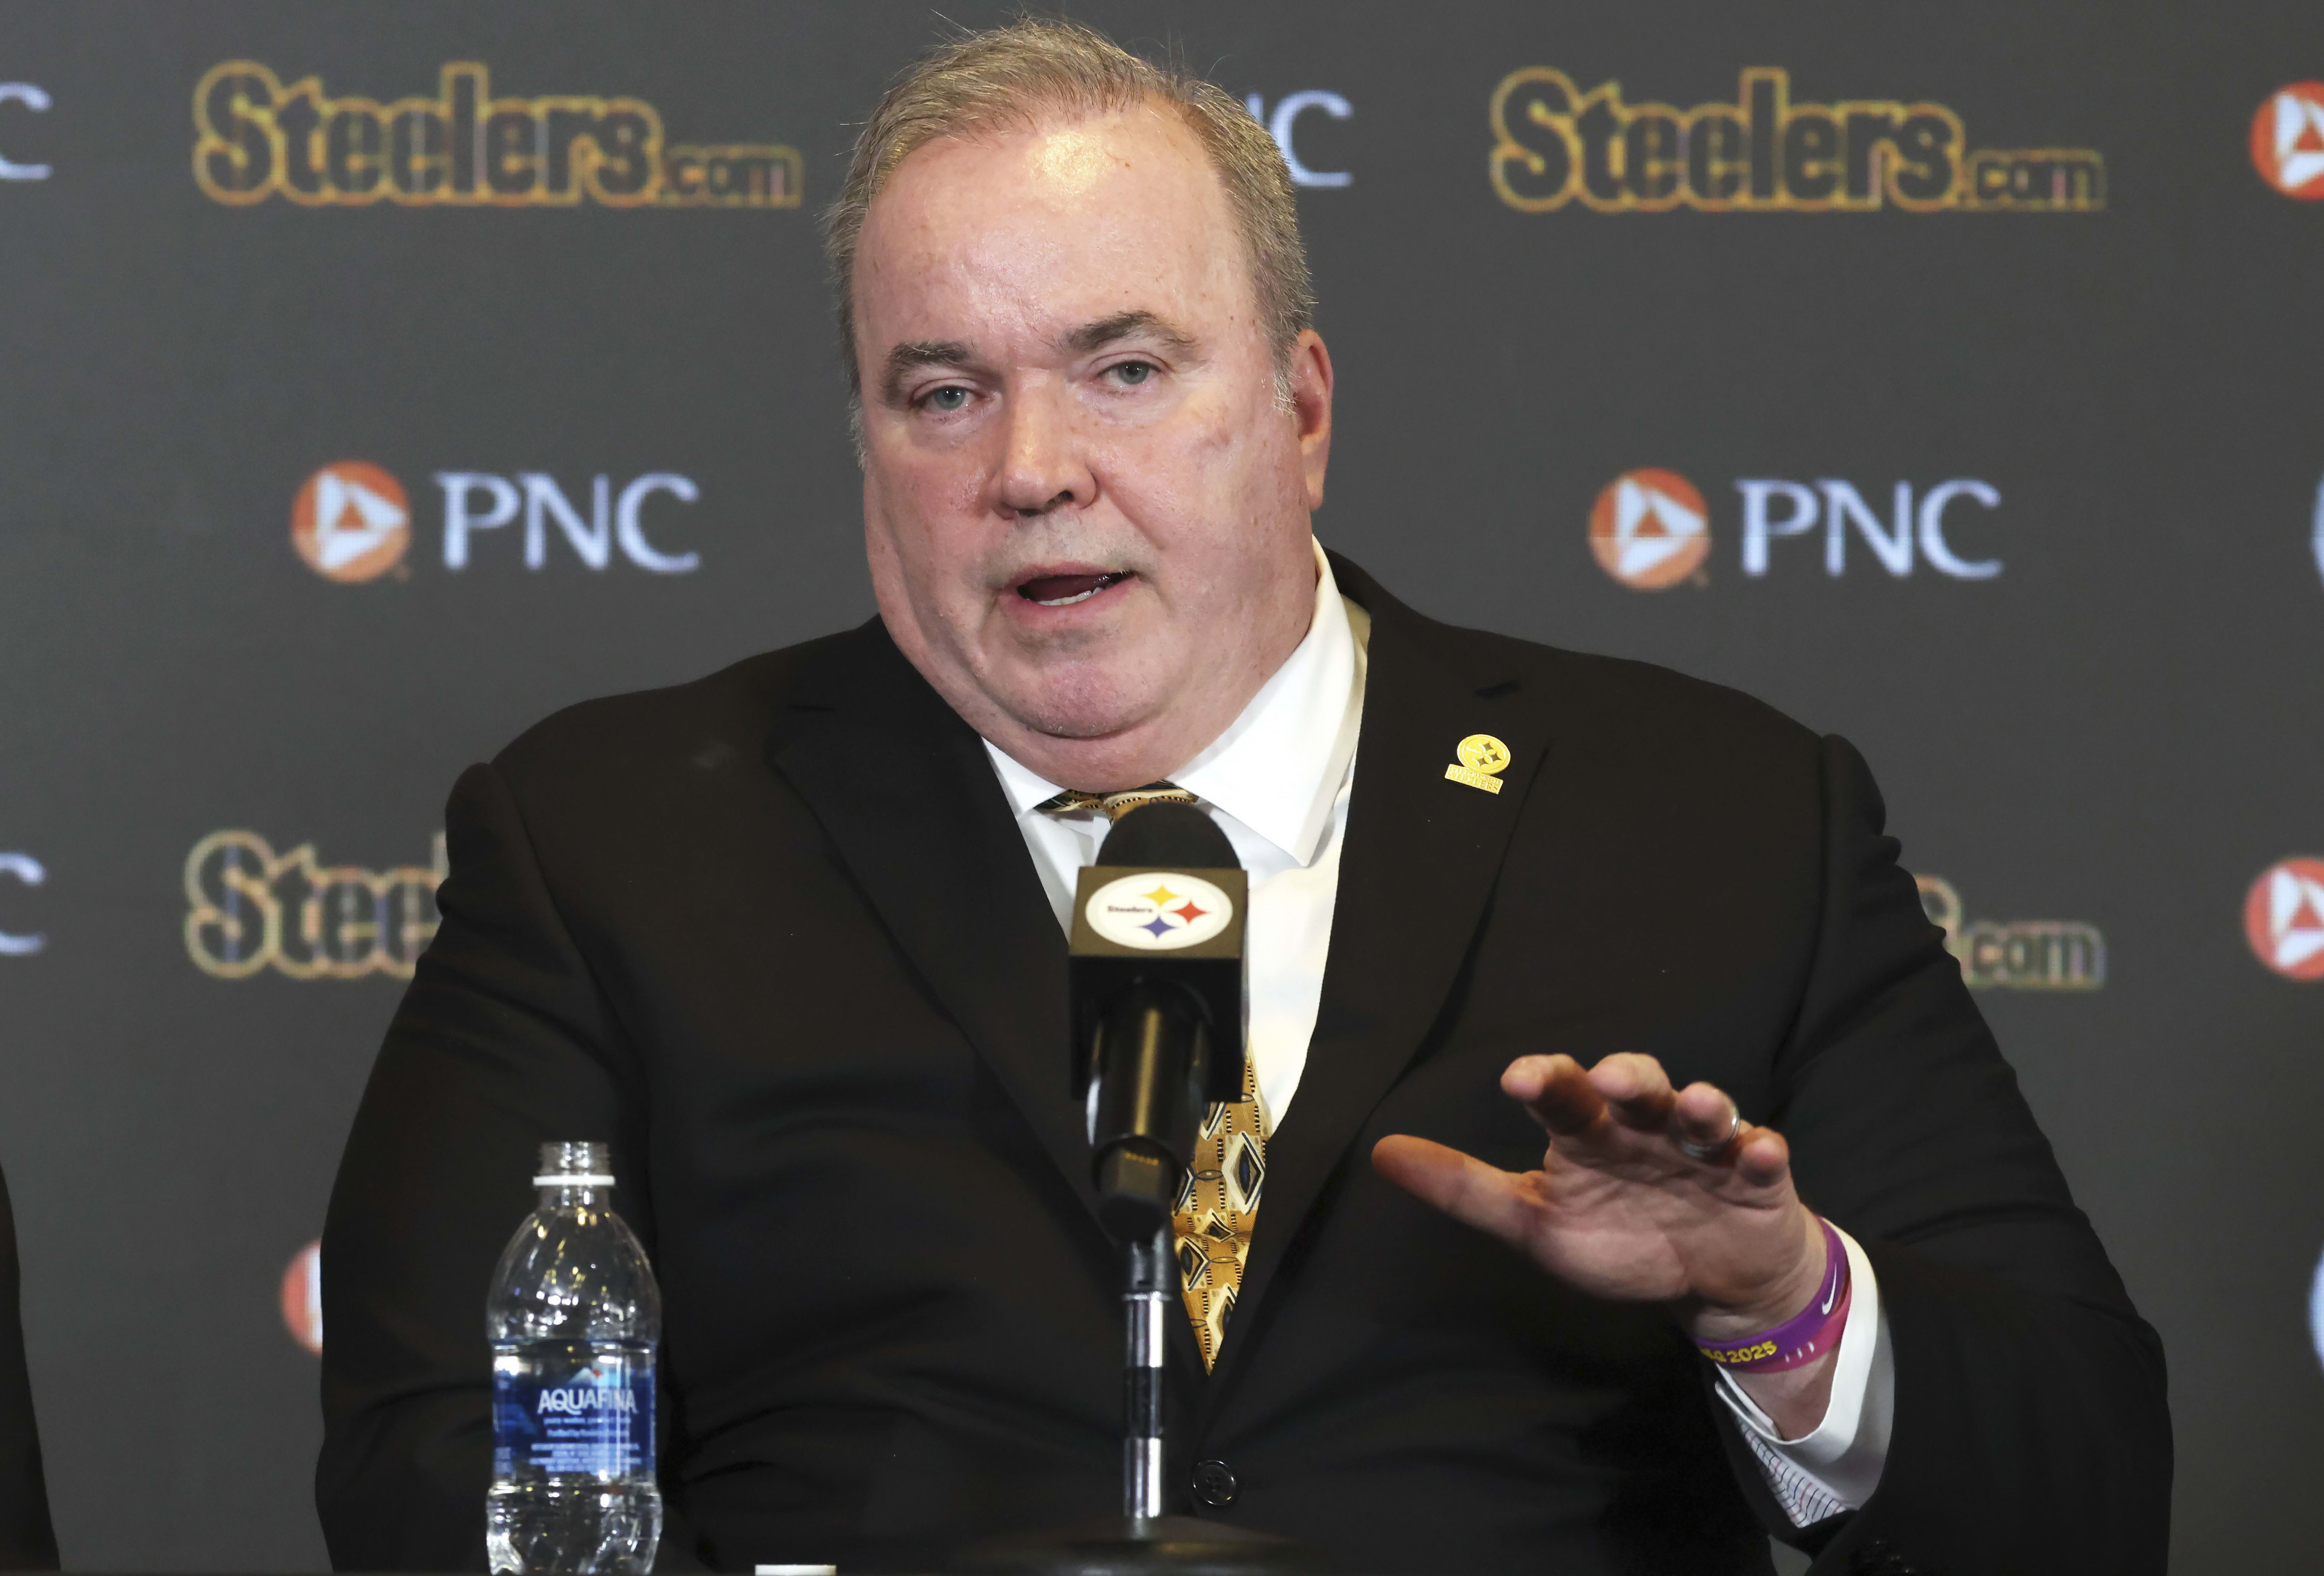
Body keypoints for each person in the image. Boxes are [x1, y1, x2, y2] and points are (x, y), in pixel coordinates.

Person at [317, 20, 2168, 1575]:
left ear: (1300, 410)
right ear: (865, 442)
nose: (1034, 467)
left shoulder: (1720, 814)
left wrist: (1783, 1304)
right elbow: (431, 1474)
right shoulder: (614, 840)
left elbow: (2085, 1481)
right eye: (943, 393)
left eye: (1124, 369)